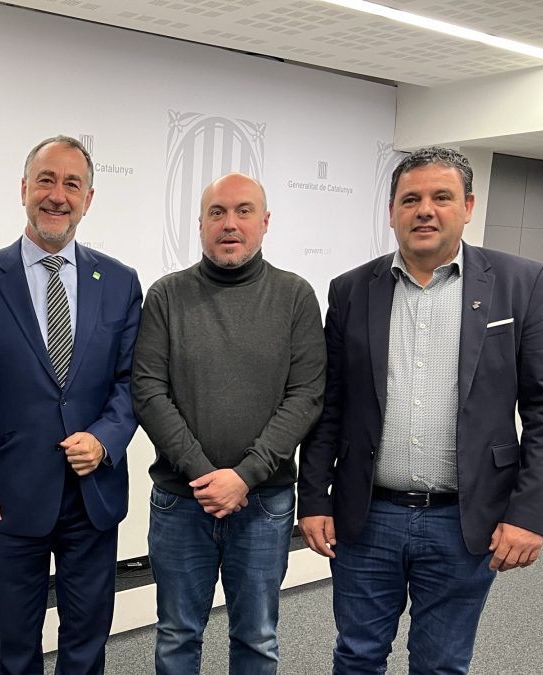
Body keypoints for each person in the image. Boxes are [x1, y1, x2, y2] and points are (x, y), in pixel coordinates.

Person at [297, 147, 543, 674]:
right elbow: (328, 405)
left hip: (465, 518)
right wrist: (313, 497)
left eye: (441, 197)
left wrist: (530, 514)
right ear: (392, 211)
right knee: (356, 656)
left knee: (441, 664)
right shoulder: (352, 289)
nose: (425, 210)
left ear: (467, 206)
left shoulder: (520, 283)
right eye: (411, 199)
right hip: (367, 516)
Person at [0, 135, 142, 675]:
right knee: (16, 638)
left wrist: (105, 438)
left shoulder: (120, 282)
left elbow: (131, 383)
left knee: (86, 636)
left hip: (92, 493)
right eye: (46, 181)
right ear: (24, 190)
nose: (57, 196)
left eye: (72, 184)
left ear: (89, 198)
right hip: (11, 493)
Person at [132, 173, 326, 675]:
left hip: (264, 503)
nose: (229, 224)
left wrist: (244, 476)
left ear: (265, 223)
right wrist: (205, 475)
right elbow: (149, 393)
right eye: (217, 213)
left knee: (257, 637)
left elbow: (305, 396)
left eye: (243, 212)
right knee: (177, 635)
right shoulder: (166, 296)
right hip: (180, 501)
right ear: (200, 224)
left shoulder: (295, 296)